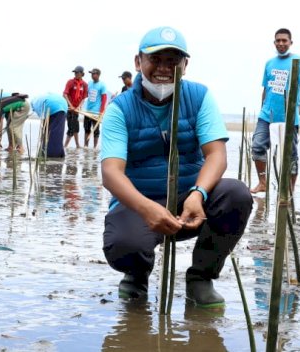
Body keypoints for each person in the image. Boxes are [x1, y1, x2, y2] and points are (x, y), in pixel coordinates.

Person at [101, 26, 253, 308]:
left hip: (190, 200)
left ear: (185, 64)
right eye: (155, 59)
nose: (164, 68)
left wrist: (199, 194)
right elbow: (111, 172)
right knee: (124, 245)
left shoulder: (199, 96)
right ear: (138, 62)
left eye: (173, 61)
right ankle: (136, 274)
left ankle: (200, 279)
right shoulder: (119, 108)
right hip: (139, 202)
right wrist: (147, 208)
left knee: (237, 194)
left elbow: (216, 155)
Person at [250, 28, 300, 194]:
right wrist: (263, 107)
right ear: (274, 42)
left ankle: (289, 189)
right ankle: (263, 182)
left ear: (291, 42)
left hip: (288, 117)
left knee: (290, 155)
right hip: (267, 115)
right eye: (278, 41)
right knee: (257, 146)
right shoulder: (269, 63)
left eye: (284, 40)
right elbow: (265, 89)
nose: (281, 43)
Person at [31, 92, 69, 158]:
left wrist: (43, 132)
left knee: (51, 133)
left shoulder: (35, 104)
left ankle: (50, 154)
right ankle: (58, 153)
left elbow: (43, 119)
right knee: (58, 132)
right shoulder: (39, 99)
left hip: (51, 105)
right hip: (64, 104)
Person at [63, 65, 88, 149]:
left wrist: (79, 107)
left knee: (76, 127)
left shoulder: (84, 85)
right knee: (71, 127)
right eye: (75, 72)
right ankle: (66, 146)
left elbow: (84, 97)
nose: (76, 74)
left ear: (82, 74)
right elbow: (65, 94)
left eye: (77, 72)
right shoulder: (70, 82)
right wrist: (71, 106)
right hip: (70, 108)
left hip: (77, 109)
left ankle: (76, 145)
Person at [84, 68, 108, 148]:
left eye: (93, 74)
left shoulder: (102, 85)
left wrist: (101, 111)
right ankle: (86, 146)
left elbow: (104, 98)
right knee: (87, 129)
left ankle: (94, 147)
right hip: (87, 110)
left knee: (96, 130)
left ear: (97, 75)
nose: (92, 75)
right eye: (91, 74)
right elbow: (86, 95)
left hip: (96, 112)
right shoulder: (89, 83)